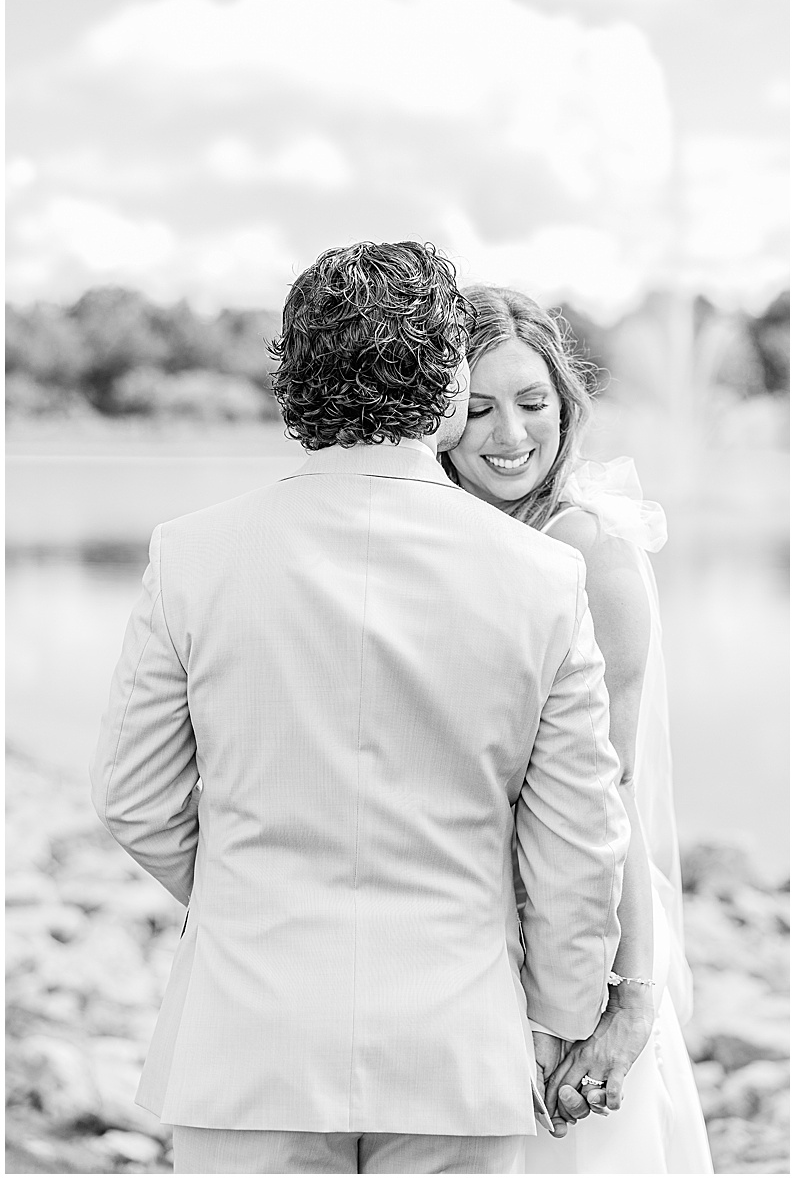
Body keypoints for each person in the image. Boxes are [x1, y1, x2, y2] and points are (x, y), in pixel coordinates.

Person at [91, 241, 631, 1174]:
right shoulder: (544, 577)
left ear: (294, 381)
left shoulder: (193, 554)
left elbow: (134, 799)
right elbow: (581, 838)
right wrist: (559, 1020)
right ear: (451, 383)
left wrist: (245, 898)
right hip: (461, 1045)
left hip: (246, 1039)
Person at [442, 285, 714, 1173]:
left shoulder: (588, 551)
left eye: (532, 404)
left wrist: (628, 999)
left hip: (578, 940)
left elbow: (617, 792)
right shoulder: (437, 542)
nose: (509, 435)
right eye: (477, 408)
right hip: (463, 945)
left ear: (567, 407)